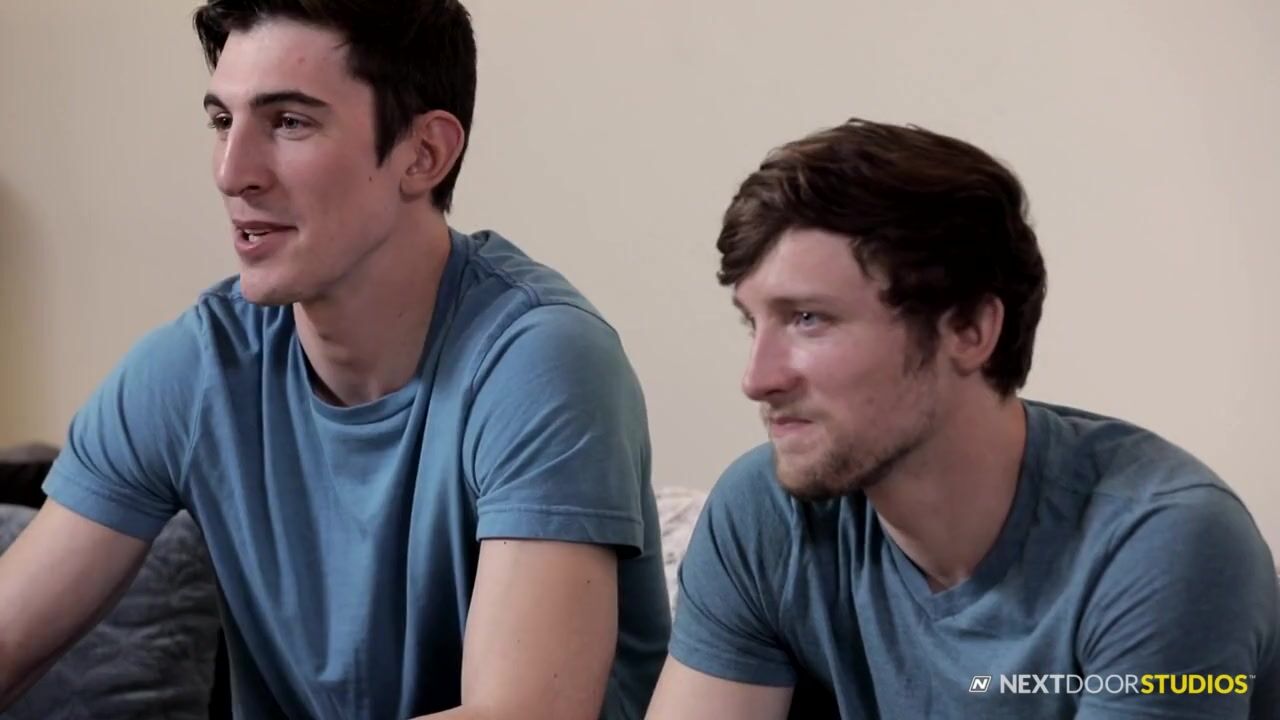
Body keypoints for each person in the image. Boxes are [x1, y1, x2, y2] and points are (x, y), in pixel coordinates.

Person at [0, 1, 671, 718]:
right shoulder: (198, 368)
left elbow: (522, 715)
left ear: (424, 154)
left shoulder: (542, 364)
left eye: (289, 122)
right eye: (223, 121)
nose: (231, 172)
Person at [646, 118, 1279, 719]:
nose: (757, 379)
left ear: (970, 329)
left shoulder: (1161, 546)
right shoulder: (765, 514)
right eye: (752, 323)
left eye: (809, 319)